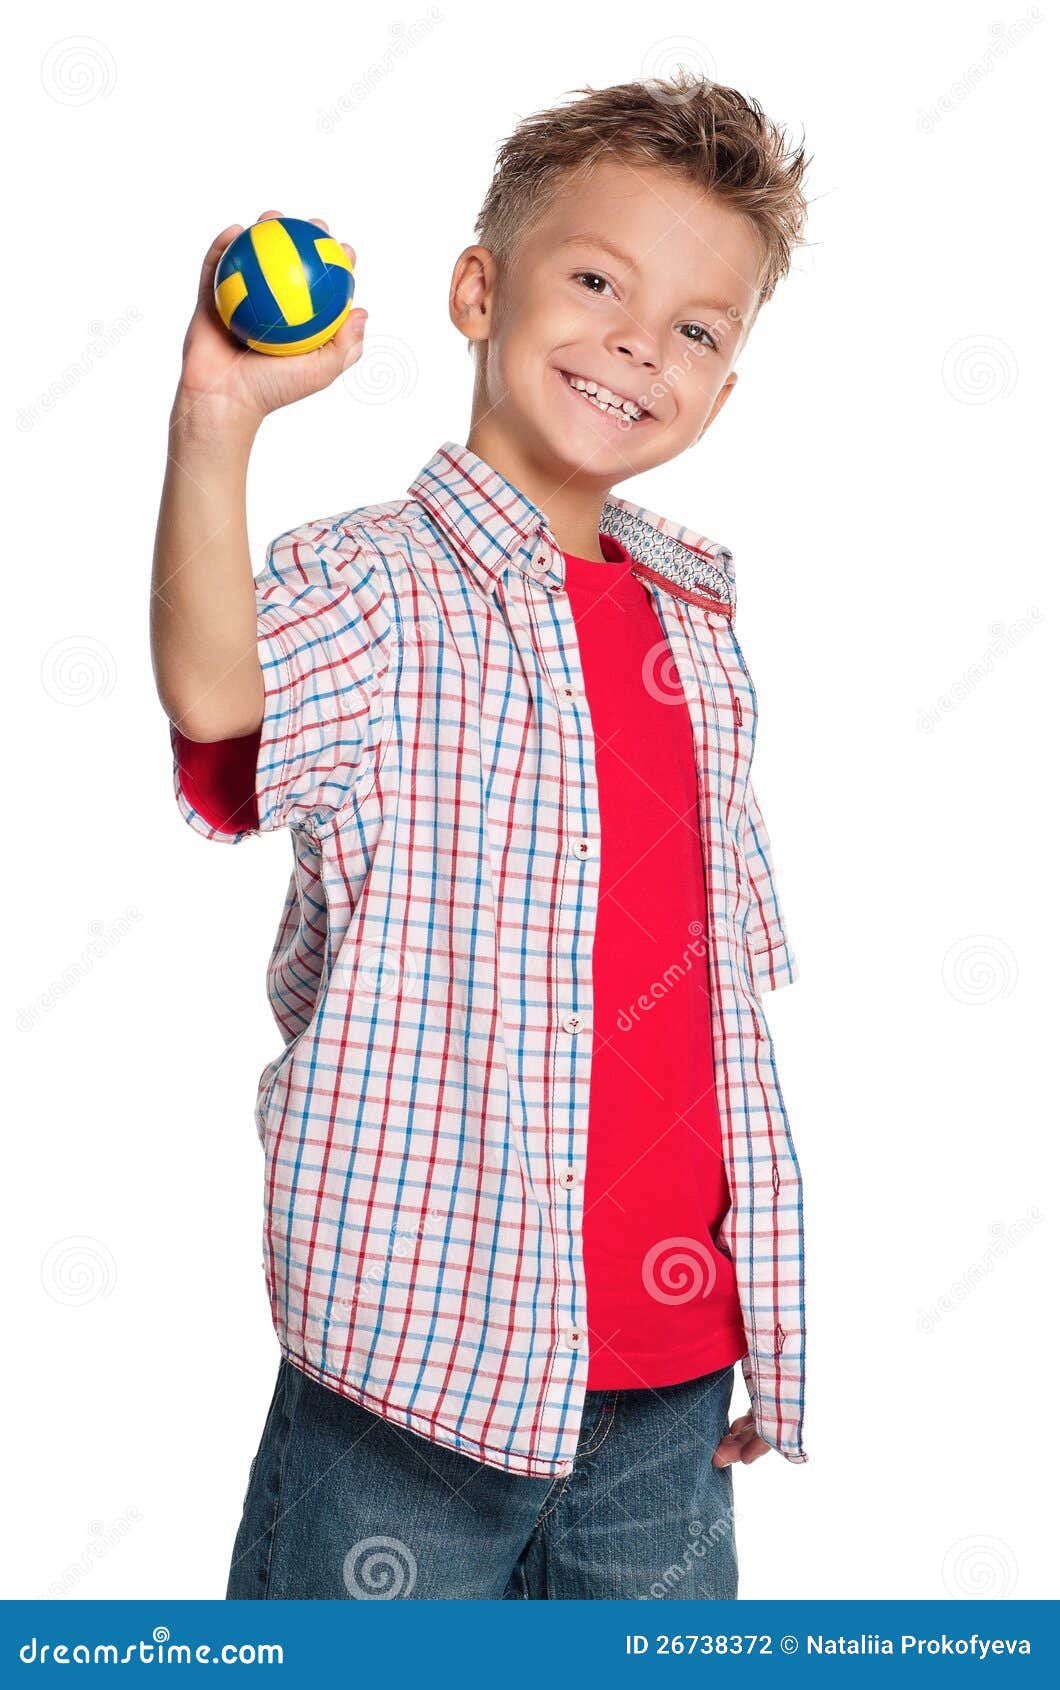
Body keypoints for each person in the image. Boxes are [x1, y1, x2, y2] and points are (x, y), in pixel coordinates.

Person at [150, 71, 812, 1601]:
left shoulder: (694, 628)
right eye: (597, 281)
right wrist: (217, 419)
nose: (642, 340)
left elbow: (716, 1016)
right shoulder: (378, 588)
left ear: (724, 387)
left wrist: (761, 1309)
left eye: (698, 329)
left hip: (664, 1381)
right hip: (415, 1370)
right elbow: (213, 689)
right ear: (477, 288)